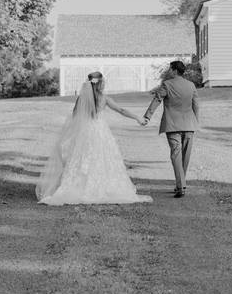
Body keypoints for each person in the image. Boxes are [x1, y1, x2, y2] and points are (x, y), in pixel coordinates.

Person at [36, 72, 152, 205]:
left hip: (85, 131)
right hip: (100, 131)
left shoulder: (82, 98)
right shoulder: (104, 98)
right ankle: (104, 186)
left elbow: (75, 115)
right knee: (103, 157)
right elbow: (121, 110)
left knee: (82, 157)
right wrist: (138, 118)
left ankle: (78, 186)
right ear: (100, 83)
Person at [144, 61, 199, 198]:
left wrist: (148, 116)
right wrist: (196, 121)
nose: (169, 71)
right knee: (185, 156)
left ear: (174, 71)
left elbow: (157, 99)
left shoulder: (167, 84)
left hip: (173, 125)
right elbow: (196, 104)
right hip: (189, 125)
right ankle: (181, 184)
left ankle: (180, 185)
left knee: (176, 154)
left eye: (170, 69)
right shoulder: (191, 85)